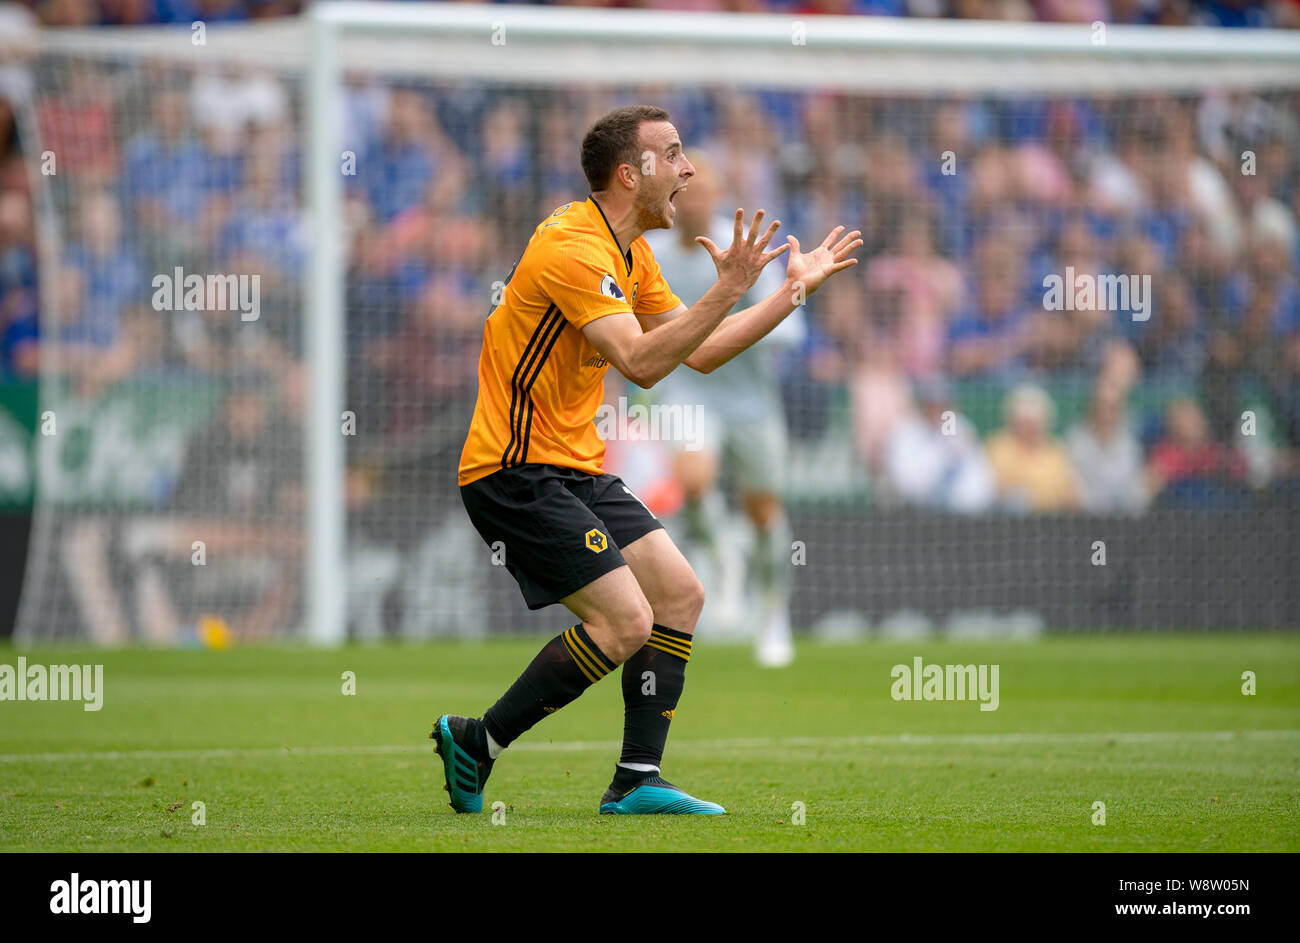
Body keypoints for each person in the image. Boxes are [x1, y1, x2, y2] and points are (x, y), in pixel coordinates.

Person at [433, 105, 861, 816]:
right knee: (626, 621)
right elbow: (640, 361)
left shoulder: (630, 255)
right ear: (632, 174)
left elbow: (701, 351)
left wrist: (792, 289)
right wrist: (726, 286)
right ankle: (477, 741)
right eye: (675, 153)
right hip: (512, 471)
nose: (689, 169)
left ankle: (636, 776)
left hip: (573, 467)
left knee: (681, 595)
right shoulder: (573, 245)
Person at [641, 155, 804, 667]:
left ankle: (773, 613)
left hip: (752, 401)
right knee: (693, 480)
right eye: (686, 192)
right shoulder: (653, 251)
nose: (695, 201)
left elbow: (790, 325)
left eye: (705, 191)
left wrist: (719, 332)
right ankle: (722, 564)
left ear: (717, 198)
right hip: (687, 391)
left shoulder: (745, 251)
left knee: (763, 512)